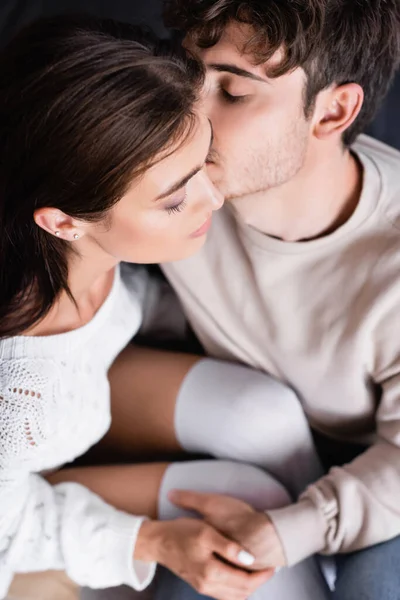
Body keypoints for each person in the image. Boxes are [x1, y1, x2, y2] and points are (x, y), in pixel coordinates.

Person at [0, 13, 333, 600]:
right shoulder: (23, 401)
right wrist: (151, 540)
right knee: (246, 500)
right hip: (24, 510)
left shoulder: (80, 244)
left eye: (202, 163)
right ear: (64, 221)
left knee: (266, 417)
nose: (214, 197)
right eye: (177, 199)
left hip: (80, 409)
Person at [156, 1, 400, 599]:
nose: (188, 110)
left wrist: (288, 531)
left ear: (332, 111)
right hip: (265, 444)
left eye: (233, 94)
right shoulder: (168, 176)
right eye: (189, 75)